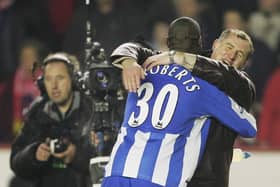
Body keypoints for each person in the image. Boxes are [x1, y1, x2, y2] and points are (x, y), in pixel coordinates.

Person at [101, 17, 257, 187]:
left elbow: (223, 74)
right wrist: (129, 62)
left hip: (121, 171)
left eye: (240, 54)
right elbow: (249, 127)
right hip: (166, 177)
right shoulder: (199, 86)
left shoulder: (240, 85)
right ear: (213, 44)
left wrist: (176, 57)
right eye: (229, 47)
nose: (231, 55)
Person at [10, 52, 96, 187]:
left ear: (74, 80)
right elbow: (15, 162)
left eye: (60, 78)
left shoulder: (91, 111)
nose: (54, 85)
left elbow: (106, 161)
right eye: (48, 79)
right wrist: (34, 154)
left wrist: (76, 156)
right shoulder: (36, 113)